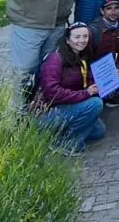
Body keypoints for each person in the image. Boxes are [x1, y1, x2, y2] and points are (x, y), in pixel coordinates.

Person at [35, 22, 106, 156]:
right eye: (77, 37)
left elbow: (88, 82)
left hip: (69, 106)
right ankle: (66, 143)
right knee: (95, 104)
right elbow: (51, 93)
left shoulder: (82, 56)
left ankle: (57, 133)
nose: (82, 40)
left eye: (85, 36)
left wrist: (105, 82)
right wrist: (86, 93)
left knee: (99, 131)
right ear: (67, 40)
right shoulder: (55, 59)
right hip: (47, 112)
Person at [88, 0, 119, 107]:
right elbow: (87, 58)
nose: (113, 12)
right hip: (94, 71)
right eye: (109, 9)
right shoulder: (93, 30)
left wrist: (118, 70)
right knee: (97, 101)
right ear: (102, 11)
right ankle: (104, 94)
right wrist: (100, 79)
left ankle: (113, 91)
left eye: (116, 8)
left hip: (110, 68)